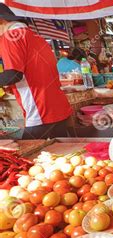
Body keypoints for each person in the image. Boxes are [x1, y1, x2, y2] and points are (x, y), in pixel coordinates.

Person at [0, 4, 72, 139]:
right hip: (58, 109)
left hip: (39, 111)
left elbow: (13, 75)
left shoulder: (10, 36)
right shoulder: (37, 38)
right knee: (58, 156)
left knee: (31, 155)